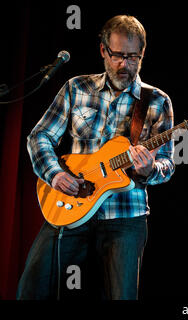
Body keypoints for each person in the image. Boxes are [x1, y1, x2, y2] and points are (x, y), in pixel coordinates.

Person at [17, 15, 174, 299]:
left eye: (132, 57)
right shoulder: (76, 88)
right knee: (32, 288)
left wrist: (150, 169)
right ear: (103, 50)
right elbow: (39, 136)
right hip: (70, 206)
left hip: (125, 217)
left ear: (142, 54)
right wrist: (55, 174)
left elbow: (167, 164)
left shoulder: (157, 101)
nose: (123, 64)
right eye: (116, 55)